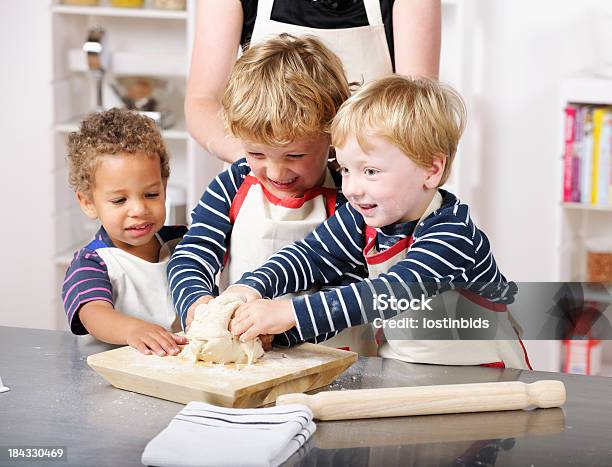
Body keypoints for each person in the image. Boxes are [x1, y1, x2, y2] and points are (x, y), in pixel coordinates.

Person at [226, 76, 532, 369]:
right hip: (409, 374)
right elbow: (309, 257)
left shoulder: (452, 236)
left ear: (431, 170)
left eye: (370, 171)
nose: (353, 189)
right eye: (345, 170)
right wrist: (251, 287)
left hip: (489, 379)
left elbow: (388, 293)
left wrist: (290, 312)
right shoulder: (360, 218)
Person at [168, 34, 376, 354]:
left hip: (336, 357)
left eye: (294, 156)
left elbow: (351, 290)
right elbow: (192, 255)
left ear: (332, 134)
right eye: (257, 154)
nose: (277, 173)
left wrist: (283, 331)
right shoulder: (233, 185)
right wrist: (197, 305)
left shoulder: (353, 198)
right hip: (245, 354)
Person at [185, 0, 441, 163]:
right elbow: (202, 101)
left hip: (368, 188)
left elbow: (416, 111)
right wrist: (262, 159)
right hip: (264, 186)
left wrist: (359, 170)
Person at [62, 108, 188, 356]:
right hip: (111, 383)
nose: (139, 209)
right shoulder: (92, 263)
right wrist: (133, 330)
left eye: (151, 194)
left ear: (164, 186)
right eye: (120, 200)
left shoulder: (181, 241)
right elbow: (94, 314)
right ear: (88, 202)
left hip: (175, 371)